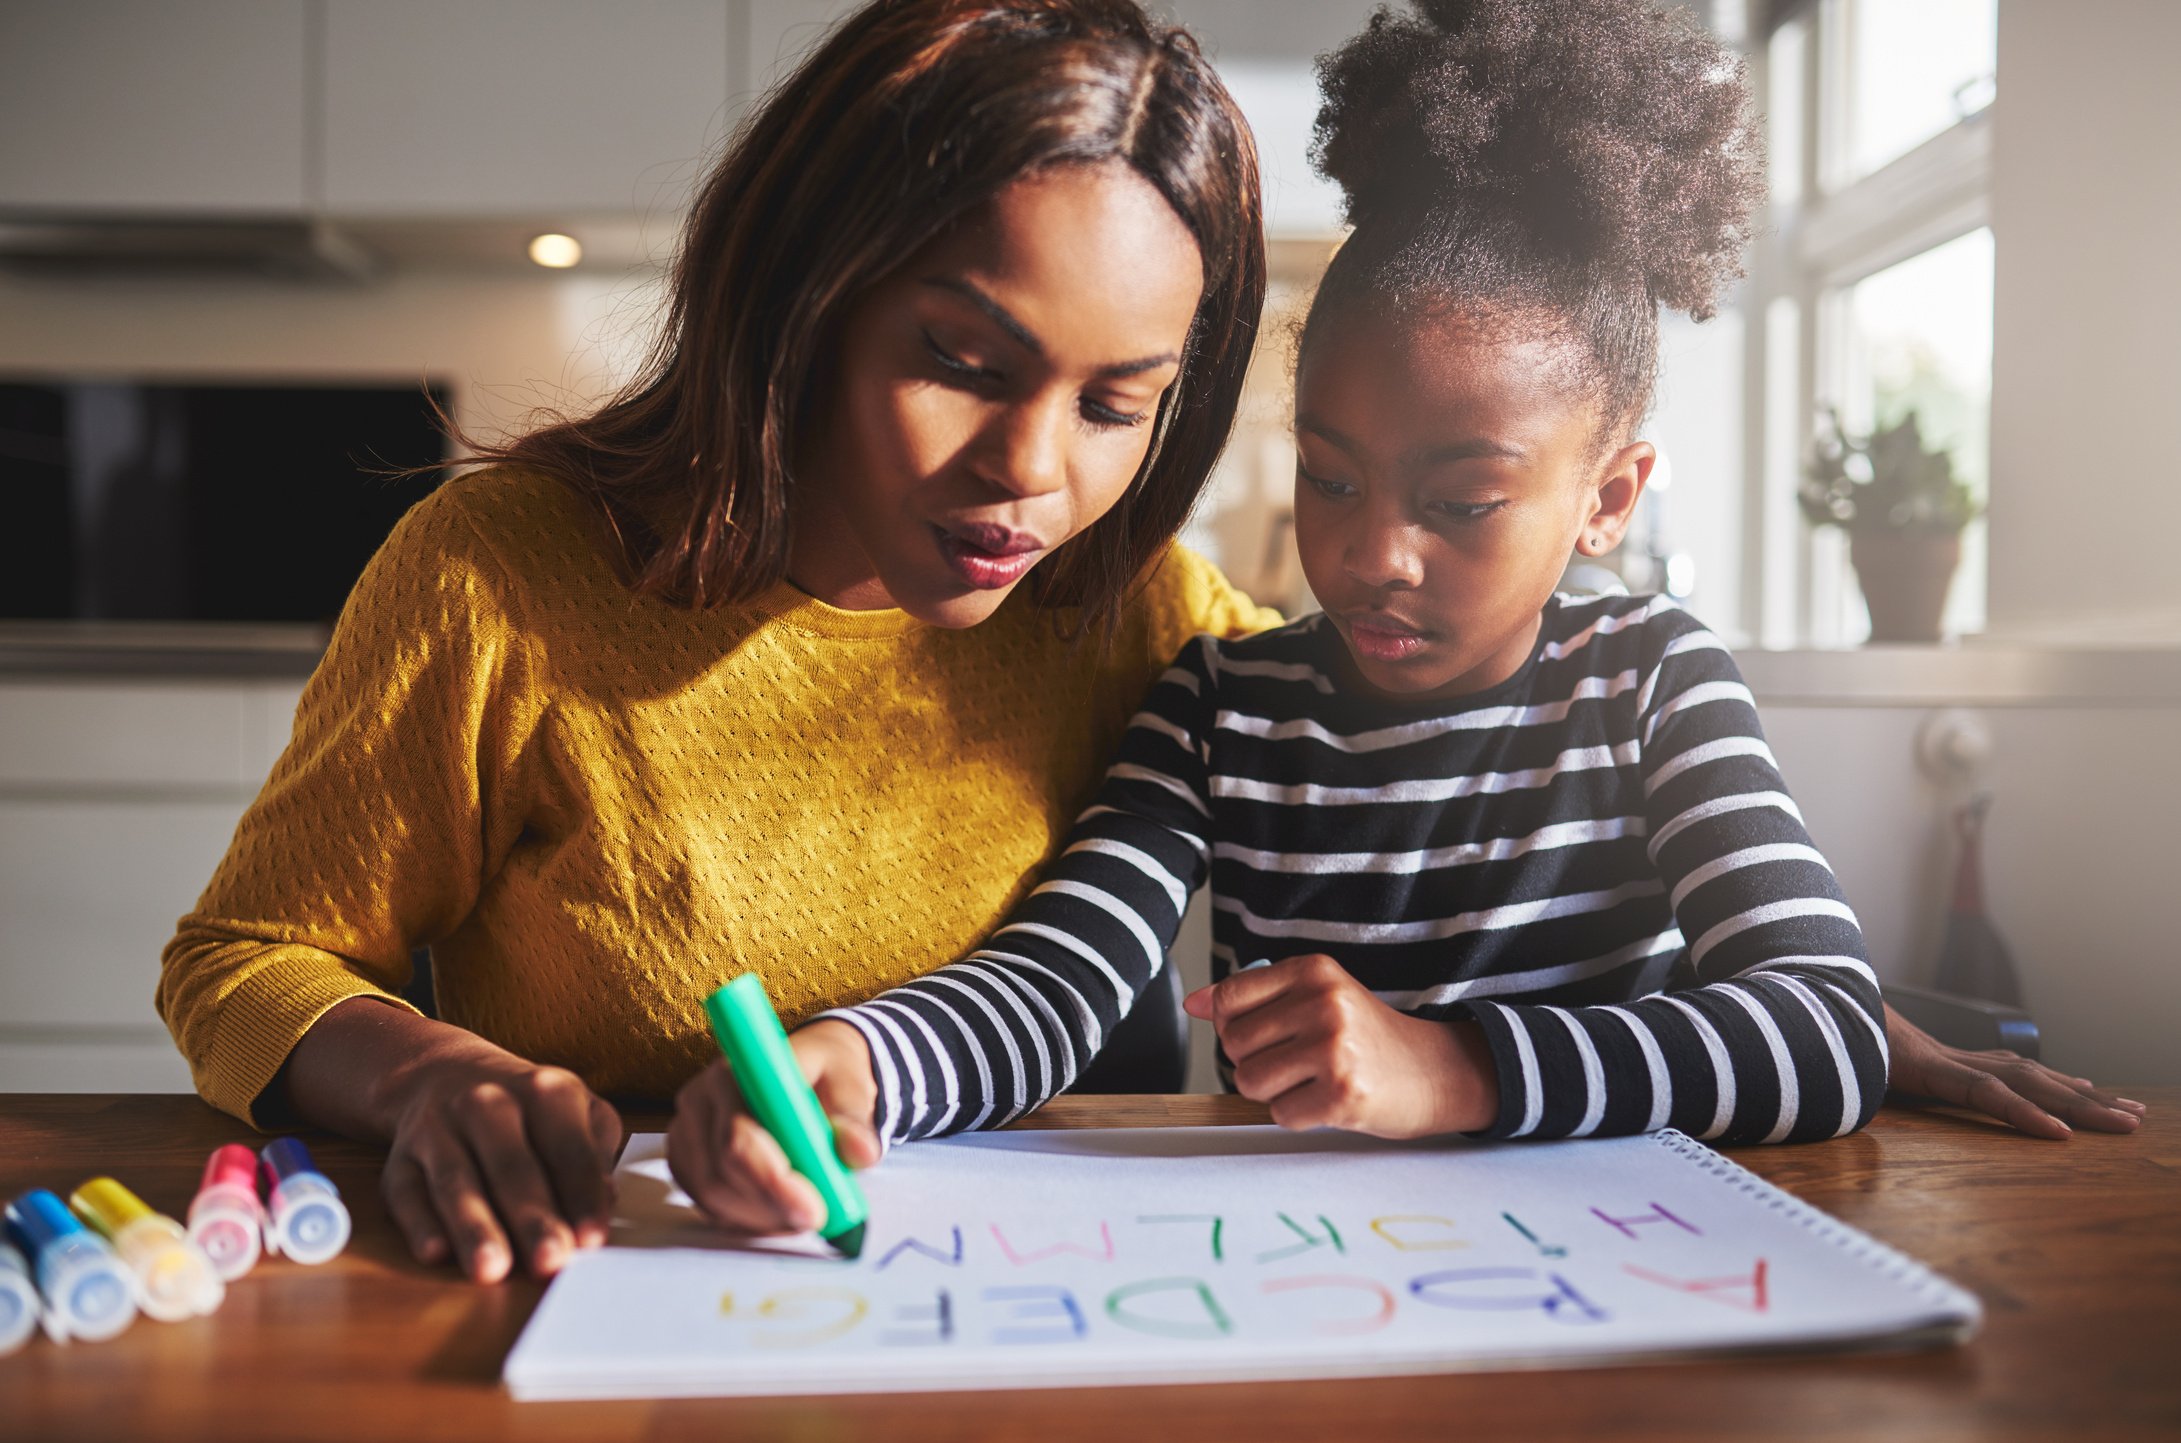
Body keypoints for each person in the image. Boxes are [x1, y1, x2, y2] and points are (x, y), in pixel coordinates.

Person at [671, 0, 2144, 1236]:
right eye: (1328, 473)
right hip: (1311, 1284)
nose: (1371, 554)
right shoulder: (1217, 706)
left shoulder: (1648, 680)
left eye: (1460, 501)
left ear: (1607, 496)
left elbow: (1820, 1023)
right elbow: (1058, 979)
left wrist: (1451, 1070)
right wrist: (865, 1056)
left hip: (1614, 1281)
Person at [156, 0, 1277, 1285]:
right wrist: (427, 1076)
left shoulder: (1132, 604)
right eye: (961, 361)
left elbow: (1397, 724)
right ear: (809, 297)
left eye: (1112, 404)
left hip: (1054, 1309)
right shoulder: (502, 577)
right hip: (631, 1292)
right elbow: (241, 963)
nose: (1030, 471)